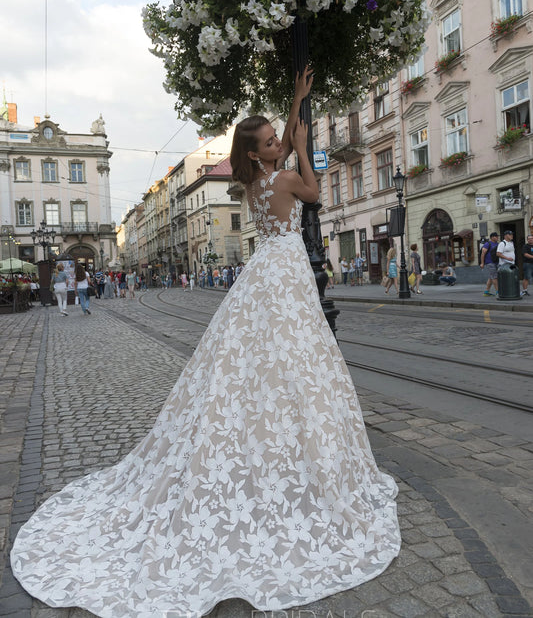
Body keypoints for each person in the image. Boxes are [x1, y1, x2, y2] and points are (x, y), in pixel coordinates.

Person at [11, 66, 400, 616]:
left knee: (251, 356)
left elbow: (280, 144)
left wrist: (295, 103)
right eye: (270, 142)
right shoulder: (287, 178)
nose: (278, 143)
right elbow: (313, 192)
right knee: (298, 353)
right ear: (263, 152)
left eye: (276, 138)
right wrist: (306, 142)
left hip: (265, 270)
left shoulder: (252, 182)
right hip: (287, 270)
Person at [480, 232, 499, 296]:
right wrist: (482, 263)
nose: (497, 238)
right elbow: (483, 254)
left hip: (496, 262)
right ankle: (498, 292)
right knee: (494, 277)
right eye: (496, 236)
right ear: (492, 237)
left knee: (491, 277)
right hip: (489, 262)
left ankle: (486, 292)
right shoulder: (487, 244)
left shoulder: (498, 244)